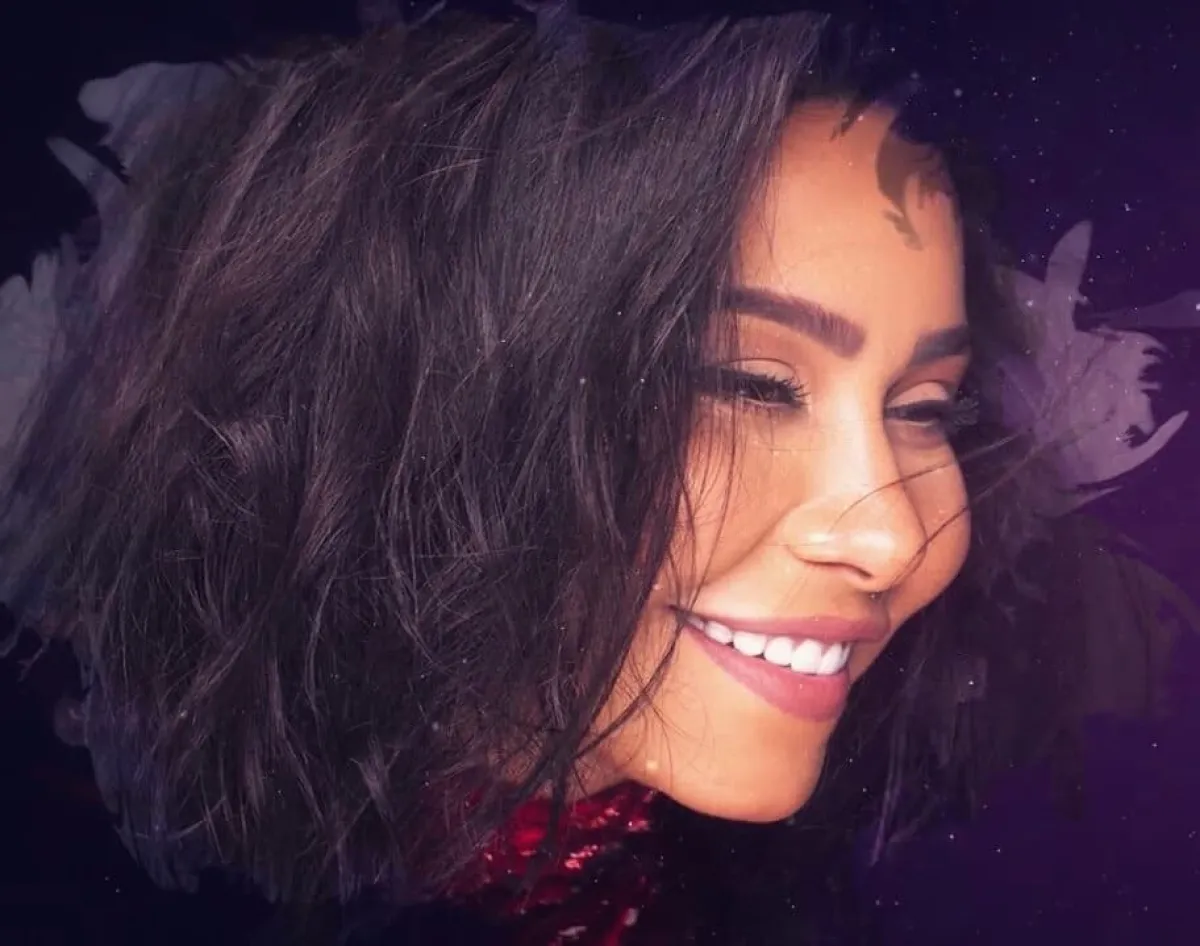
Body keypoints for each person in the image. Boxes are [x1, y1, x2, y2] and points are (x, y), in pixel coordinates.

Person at [0, 6, 1189, 945]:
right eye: (749, 385)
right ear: (420, 391)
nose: (888, 540)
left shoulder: (936, 822)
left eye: (923, 408)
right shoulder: (108, 858)